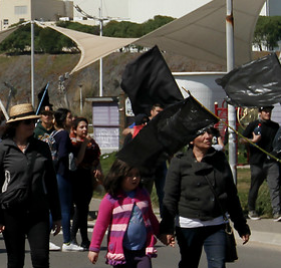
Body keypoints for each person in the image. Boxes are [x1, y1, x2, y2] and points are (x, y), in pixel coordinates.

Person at [160, 126, 251, 268]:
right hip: (188, 224)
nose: (208, 136)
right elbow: (170, 197)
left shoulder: (219, 159)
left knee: (218, 265)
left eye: (209, 132)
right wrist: (166, 228)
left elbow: (231, 194)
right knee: (189, 264)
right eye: (202, 133)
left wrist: (241, 225)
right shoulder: (180, 162)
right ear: (191, 140)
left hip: (216, 224)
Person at [0, 103, 61, 268]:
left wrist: (57, 215)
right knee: (15, 260)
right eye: (27, 122)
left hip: (38, 211)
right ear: (16, 125)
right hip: (11, 211)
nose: (32, 125)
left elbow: (51, 182)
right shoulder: (2, 148)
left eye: (33, 122)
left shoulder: (42, 148)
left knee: (41, 257)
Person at [88, 159, 160, 267]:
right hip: (121, 252)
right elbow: (101, 225)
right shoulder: (111, 198)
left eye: (137, 174)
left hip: (142, 251)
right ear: (119, 176)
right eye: (130, 175)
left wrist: (163, 234)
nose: (135, 178)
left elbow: (150, 217)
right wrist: (94, 248)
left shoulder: (143, 194)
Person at [70, 116, 102, 249]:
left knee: (84, 209)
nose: (84, 129)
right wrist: (83, 144)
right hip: (77, 176)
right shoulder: (74, 143)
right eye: (81, 127)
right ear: (75, 129)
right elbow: (78, 160)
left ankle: (84, 239)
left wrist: (98, 170)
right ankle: (72, 237)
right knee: (80, 208)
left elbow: (96, 157)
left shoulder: (92, 143)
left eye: (86, 127)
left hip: (89, 177)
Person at [242, 105, 280, 220]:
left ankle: (277, 212)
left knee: (275, 186)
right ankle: (251, 210)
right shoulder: (253, 125)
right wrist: (252, 141)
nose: (268, 114)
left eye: (269, 111)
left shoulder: (275, 126)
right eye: (265, 111)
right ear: (260, 112)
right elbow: (241, 139)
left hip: (271, 162)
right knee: (255, 186)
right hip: (257, 162)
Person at [51, 107, 80, 251]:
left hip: (55, 174)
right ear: (63, 120)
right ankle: (67, 241)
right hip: (62, 174)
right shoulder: (63, 135)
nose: (72, 119)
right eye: (69, 117)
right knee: (65, 208)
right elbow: (62, 154)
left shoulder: (54, 134)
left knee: (56, 208)